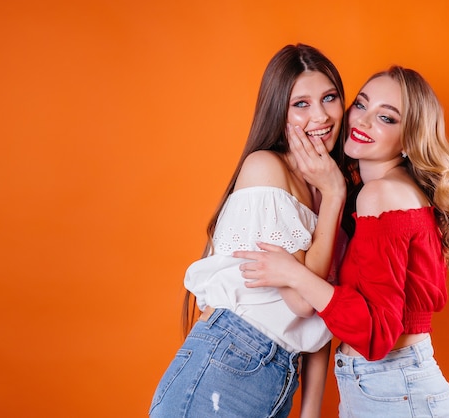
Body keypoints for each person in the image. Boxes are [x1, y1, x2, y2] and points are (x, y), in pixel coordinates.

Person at [234, 66, 449, 417]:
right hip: (396, 387)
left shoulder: (381, 195)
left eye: (387, 118)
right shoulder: (397, 192)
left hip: (393, 389)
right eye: (361, 105)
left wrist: (295, 275)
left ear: (410, 139)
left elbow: (378, 334)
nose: (363, 121)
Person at [149, 43, 352, 418]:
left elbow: (322, 314)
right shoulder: (267, 168)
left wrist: (310, 412)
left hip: (278, 378)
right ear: (279, 111)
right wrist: (335, 192)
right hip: (226, 363)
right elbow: (302, 301)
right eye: (301, 104)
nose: (321, 116)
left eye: (329, 98)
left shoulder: (329, 187)